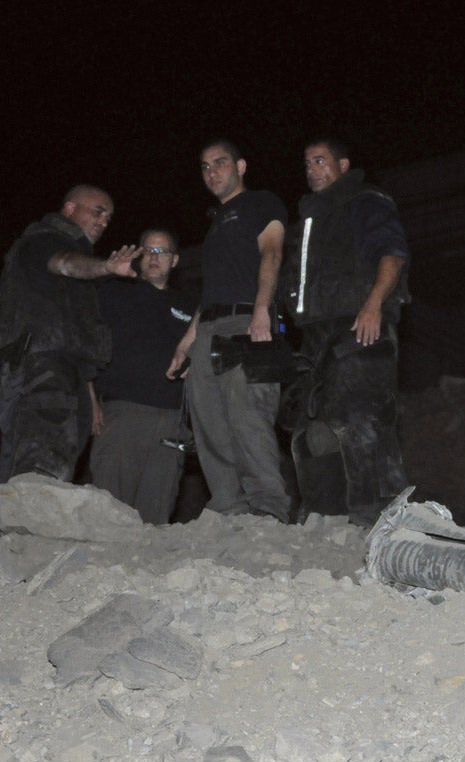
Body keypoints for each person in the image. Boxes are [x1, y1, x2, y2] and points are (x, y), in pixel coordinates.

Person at [283, 138, 411, 526]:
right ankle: (326, 516)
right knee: (312, 429)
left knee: (363, 418)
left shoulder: (365, 199)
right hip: (316, 337)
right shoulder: (310, 218)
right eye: (306, 163)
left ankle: (378, 516)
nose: (312, 169)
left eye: (320, 161)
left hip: (359, 323)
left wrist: (373, 305)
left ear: (343, 164)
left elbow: (392, 252)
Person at [168, 139, 291, 522]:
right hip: (209, 329)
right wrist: (186, 343)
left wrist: (261, 311)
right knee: (209, 423)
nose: (211, 172)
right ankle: (229, 508)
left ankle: (269, 507)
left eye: (219, 163)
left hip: (247, 322)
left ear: (241, 166)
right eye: (204, 167)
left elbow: (271, 253)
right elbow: (211, 291)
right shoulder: (215, 226)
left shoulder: (261, 203)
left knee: (248, 416)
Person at [0, 185, 141, 484]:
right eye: (97, 211)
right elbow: (64, 264)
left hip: (65, 366)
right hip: (37, 358)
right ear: (69, 208)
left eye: (108, 217)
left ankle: (24, 521)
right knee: (42, 443)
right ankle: (31, 515)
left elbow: (80, 331)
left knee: (59, 442)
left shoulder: (77, 263)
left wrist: (90, 391)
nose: (103, 222)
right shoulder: (42, 239)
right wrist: (106, 266)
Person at [88, 229, 197, 524]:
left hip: (173, 420)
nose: (154, 257)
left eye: (162, 252)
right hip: (123, 413)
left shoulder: (190, 306)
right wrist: (91, 401)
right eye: (148, 250)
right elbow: (84, 344)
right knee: (109, 507)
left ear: (174, 261)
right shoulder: (113, 293)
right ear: (138, 256)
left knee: (156, 513)